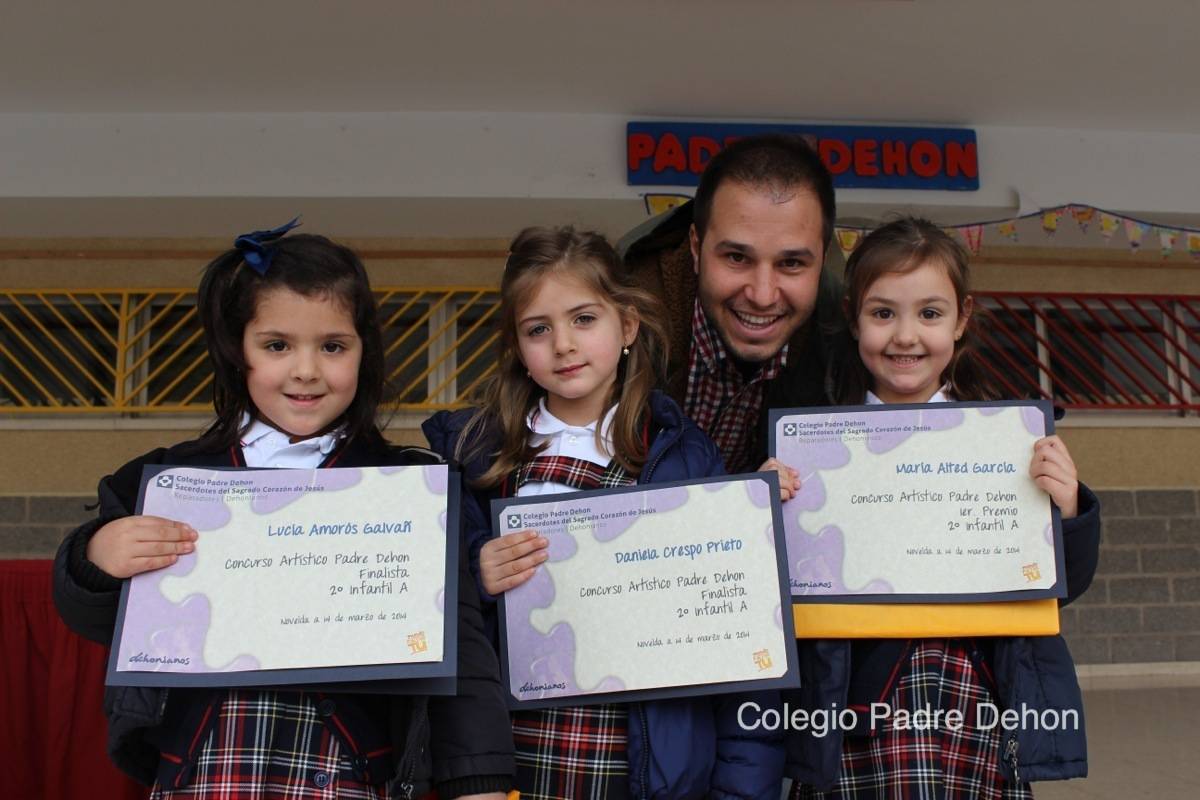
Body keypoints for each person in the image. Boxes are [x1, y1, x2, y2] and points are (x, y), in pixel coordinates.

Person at [52, 222, 514, 799]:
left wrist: (481, 783)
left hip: (349, 774)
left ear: (364, 351)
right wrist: (97, 558)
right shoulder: (169, 481)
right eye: (277, 345)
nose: (306, 370)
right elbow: (95, 617)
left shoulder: (409, 487)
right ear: (235, 351)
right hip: (207, 769)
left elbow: (462, 658)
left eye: (332, 346)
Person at [423, 226, 785, 800]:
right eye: (538, 329)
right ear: (518, 346)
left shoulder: (686, 460)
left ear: (628, 326)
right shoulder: (473, 458)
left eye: (584, 319)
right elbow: (422, 616)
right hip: (511, 765)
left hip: (643, 770)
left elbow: (740, 654)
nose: (563, 344)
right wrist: (474, 571)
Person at [786, 217, 1102, 798]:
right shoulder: (814, 449)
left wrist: (1070, 507)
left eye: (929, 314)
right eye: (883, 313)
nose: (905, 335)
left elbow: (1062, 585)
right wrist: (766, 510)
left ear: (962, 319)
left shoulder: (1009, 441)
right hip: (855, 705)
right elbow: (782, 590)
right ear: (854, 316)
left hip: (978, 696)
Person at [617, 133, 846, 480]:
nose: (762, 295)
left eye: (792, 263)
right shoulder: (618, 318)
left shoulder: (846, 337)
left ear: (822, 259)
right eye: (737, 257)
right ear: (696, 248)